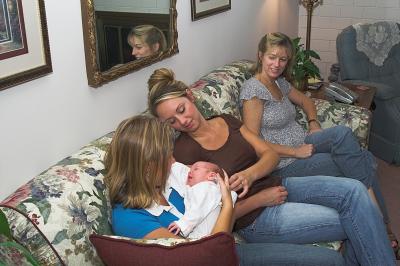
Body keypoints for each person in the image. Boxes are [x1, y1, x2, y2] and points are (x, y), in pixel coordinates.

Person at [147, 67, 396, 265]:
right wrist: (259, 198)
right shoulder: (183, 154)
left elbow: (269, 154)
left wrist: (249, 174)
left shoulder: (226, 121)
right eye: (172, 122)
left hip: (278, 182)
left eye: (182, 109)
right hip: (257, 218)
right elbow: (207, 217)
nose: (182, 121)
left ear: (190, 96)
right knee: (360, 215)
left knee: (355, 191)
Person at [105, 115, 345, 266]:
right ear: (147, 168)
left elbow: (211, 178)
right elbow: (207, 256)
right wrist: (228, 205)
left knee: (333, 258)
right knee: (330, 261)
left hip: (231, 245)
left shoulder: (168, 178)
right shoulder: (130, 218)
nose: (173, 159)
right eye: (165, 156)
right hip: (223, 256)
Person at [239, 32, 398, 255]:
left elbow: (305, 100)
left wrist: (313, 122)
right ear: (260, 56)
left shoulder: (279, 82)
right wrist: (295, 152)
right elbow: (254, 142)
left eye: (283, 59)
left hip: (304, 140)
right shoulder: (253, 91)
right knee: (365, 159)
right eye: (272, 57)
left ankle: (379, 222)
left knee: (342, 135)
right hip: (284, 162)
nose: (277, 64)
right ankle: (382, 225)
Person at [168, 161, 238, 239]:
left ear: (211, 176)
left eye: (196, 169)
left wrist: (183, 224)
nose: (189, 171)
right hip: (208, 235)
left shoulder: (206, 187)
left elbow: (198, 209)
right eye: (190, 169)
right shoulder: (204, 189)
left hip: (202, 237)